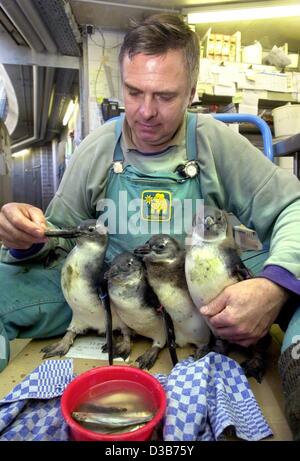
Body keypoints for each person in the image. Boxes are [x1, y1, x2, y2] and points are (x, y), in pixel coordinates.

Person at [0, 13, 300, 440]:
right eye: (133, 92)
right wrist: (24, 237)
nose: (144, 112)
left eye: (164, 96)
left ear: (192, 92)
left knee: (293, 277)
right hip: (112, 299)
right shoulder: (97, 148)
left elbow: (293, 206)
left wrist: (273, 288)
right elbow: (59, 237)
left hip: (206, 303)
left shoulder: (216, 144)